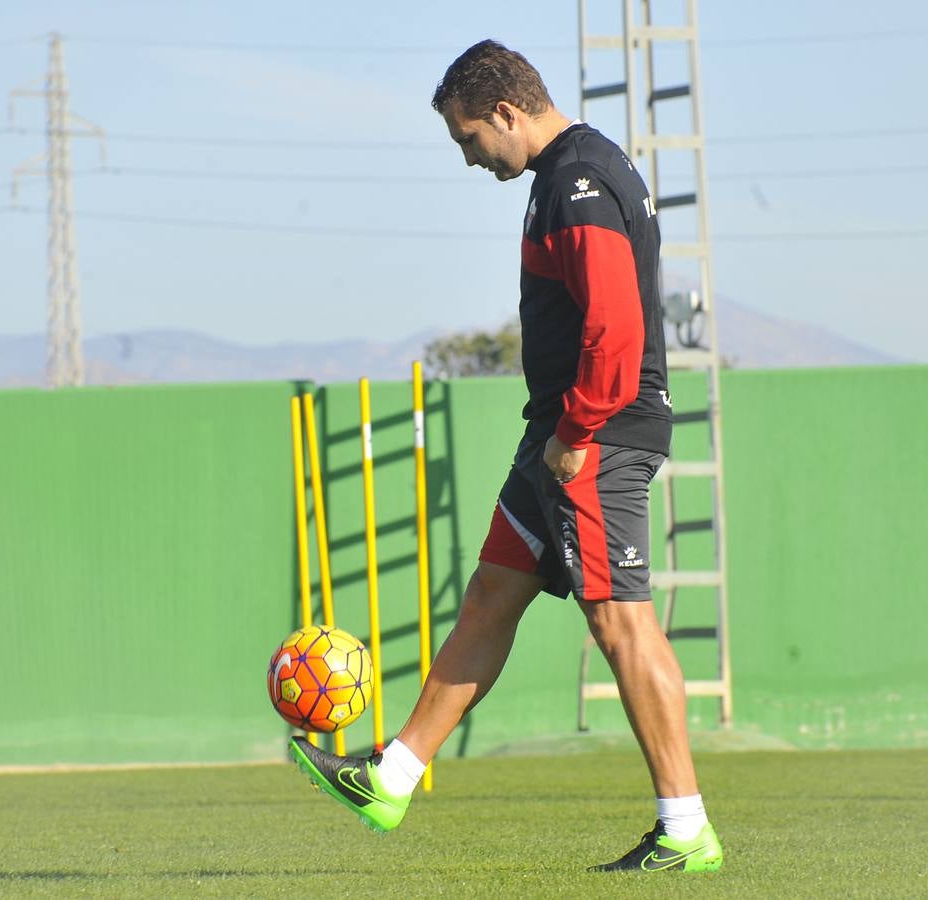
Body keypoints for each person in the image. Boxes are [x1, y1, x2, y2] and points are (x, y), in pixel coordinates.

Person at [289, 38, 722, 874]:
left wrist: (575, 434)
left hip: (595, 431)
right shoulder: (566, 174)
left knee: (619, 620)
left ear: (506, 112)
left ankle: (685, 827)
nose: (470, 159)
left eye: (468, 140)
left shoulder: (576, 181)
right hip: (555, 432)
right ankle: (393, 777)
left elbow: (617, 329)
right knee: (491, 594)